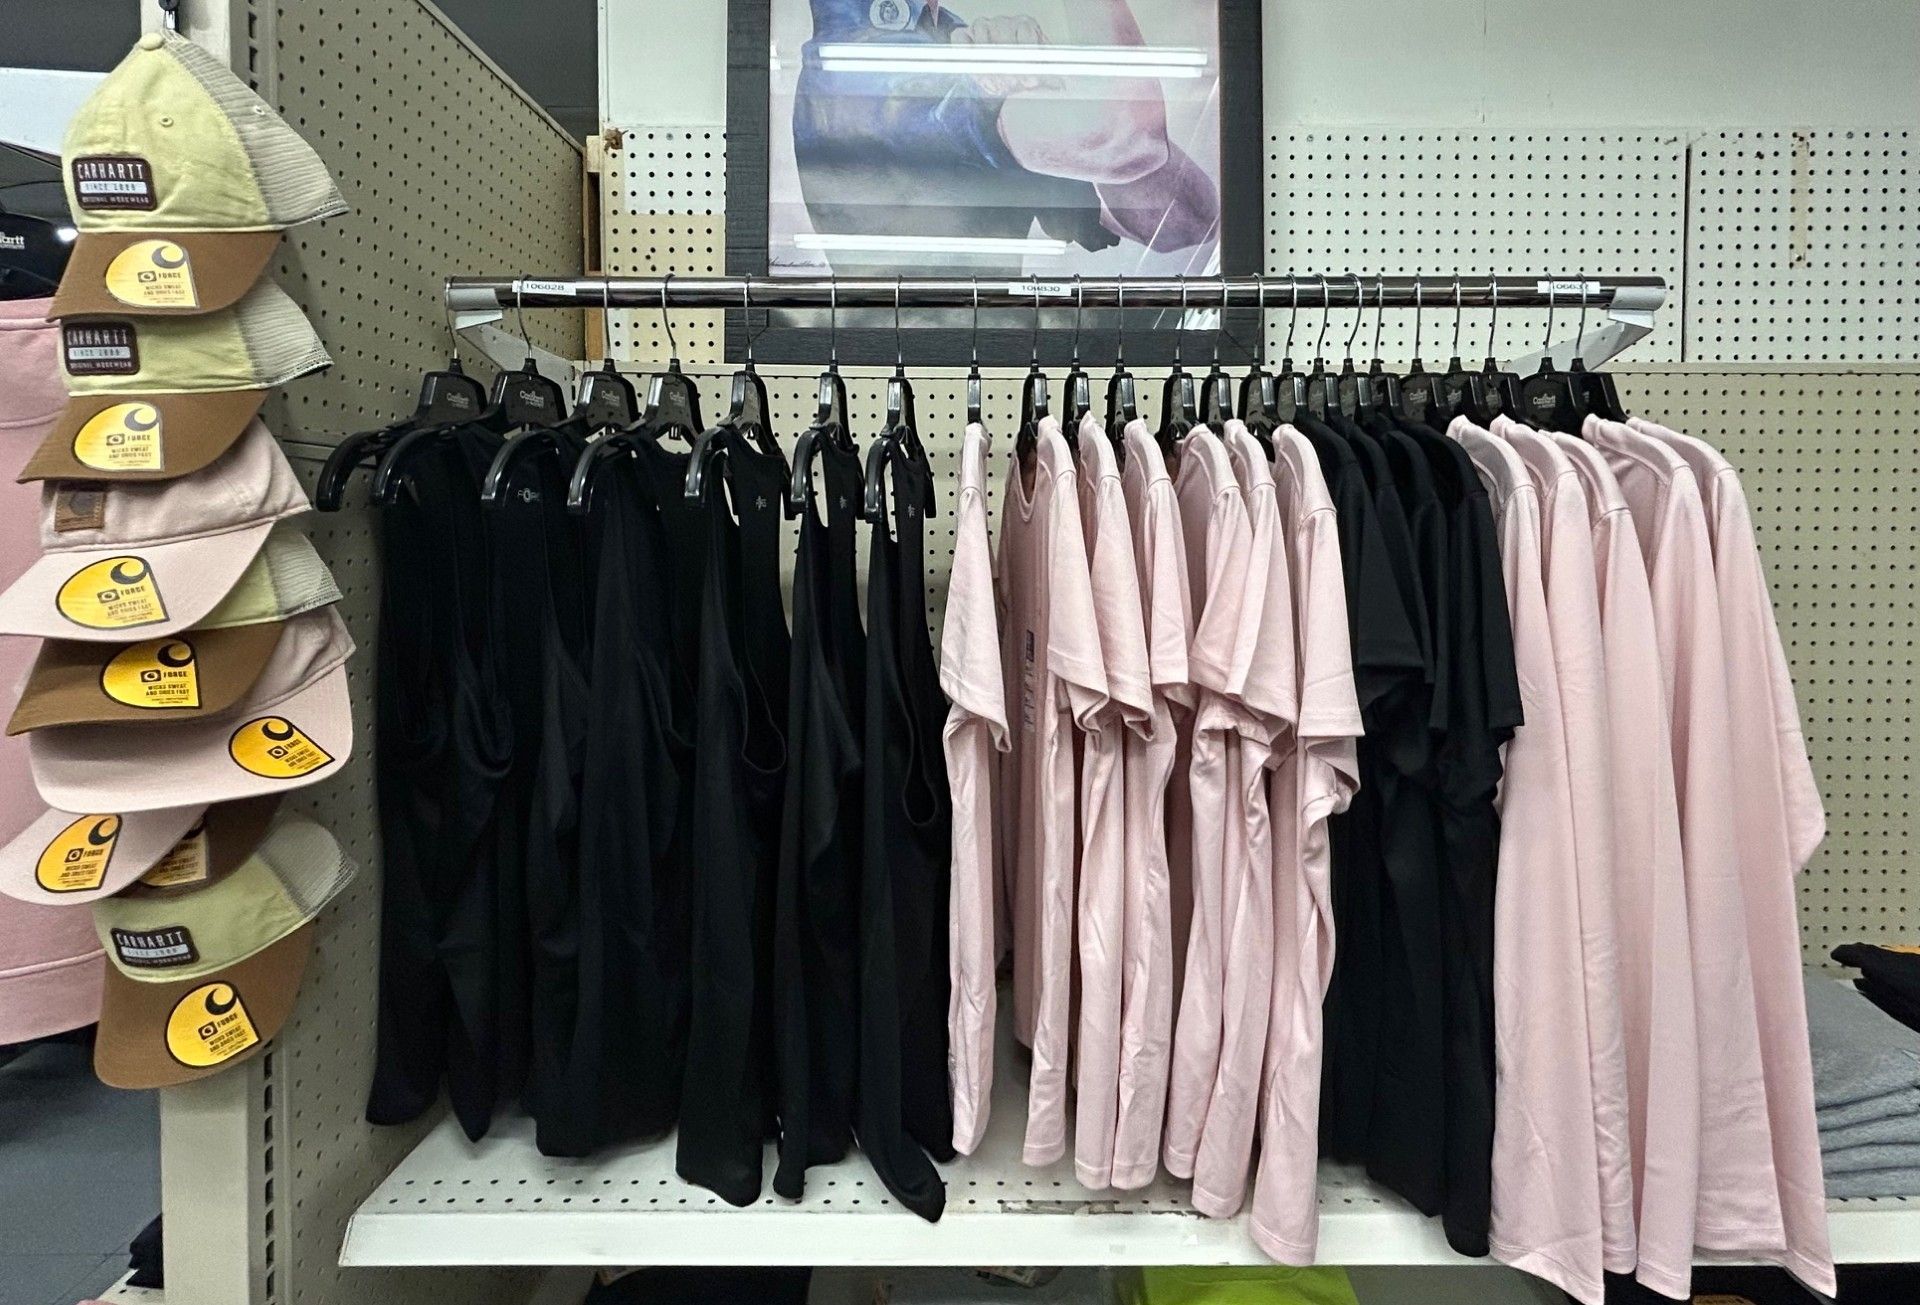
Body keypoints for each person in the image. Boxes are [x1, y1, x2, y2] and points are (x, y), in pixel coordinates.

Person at [791, 0, 1219, 275]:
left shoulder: (948, 38)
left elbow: (1186, 222)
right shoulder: (870, 67)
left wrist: (1045, 81)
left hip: (995, 375)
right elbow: (1124, 141)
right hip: (941, 375)